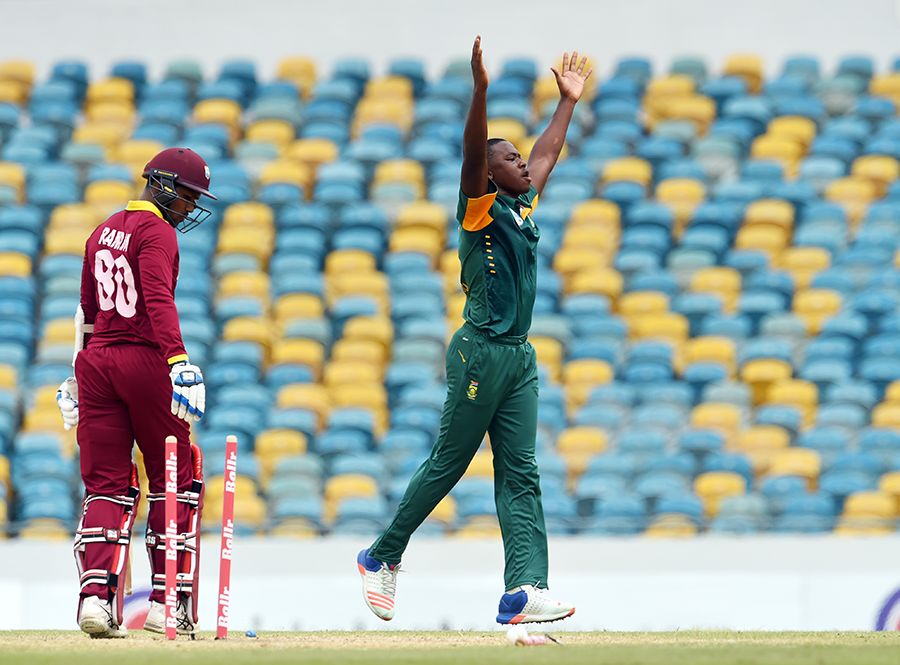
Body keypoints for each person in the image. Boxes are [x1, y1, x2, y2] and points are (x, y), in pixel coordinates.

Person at [358, 36, 592, 624]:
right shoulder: (479, 207)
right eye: (507, 159)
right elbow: (474, 152)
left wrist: (567, 102)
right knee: (451, 461)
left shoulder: (520, 205)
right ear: (487, 175)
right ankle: (380, 557)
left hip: (517, 357)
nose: (521, 164)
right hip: (479, 352)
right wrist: (481, 92)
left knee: (522, 472)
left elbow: (547, 154)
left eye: (517, 158)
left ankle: (524, 590)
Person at [56, 147, 215, 638]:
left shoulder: (102, 230)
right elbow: (157, 297)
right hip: (145, 359)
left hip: (98, 361)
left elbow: (86, 310)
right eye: (187, 195)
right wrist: (178, 362)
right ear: (161, 184)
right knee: (176, 477)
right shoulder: (157, 232)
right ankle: (169, 604)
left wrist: (75, 375)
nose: (190, 207)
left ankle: (95, 601)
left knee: (105, 484)